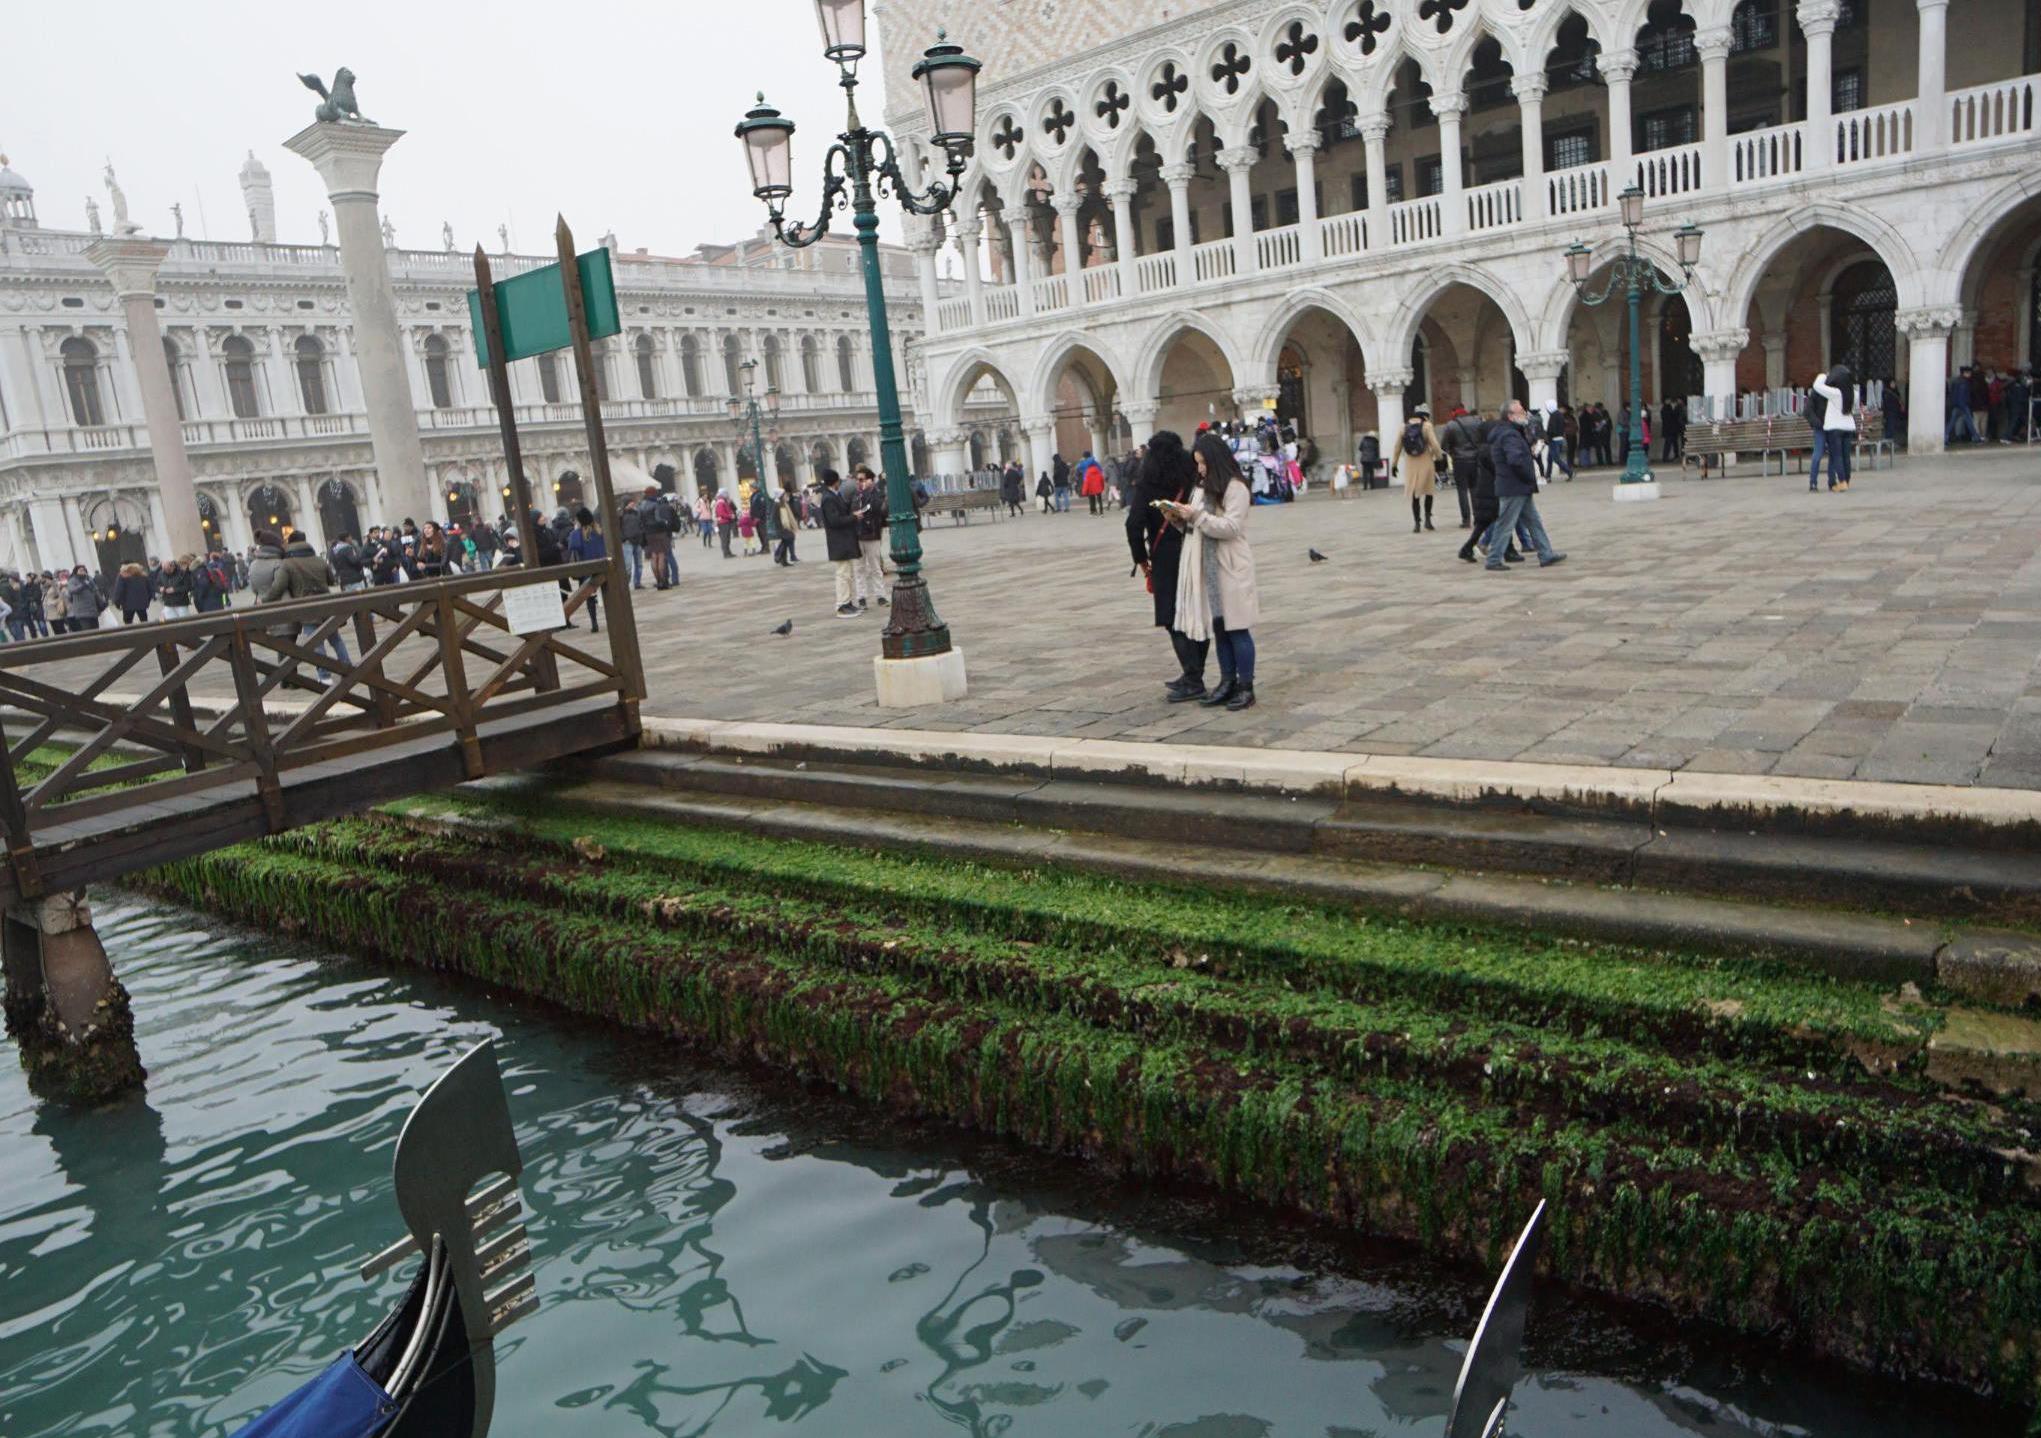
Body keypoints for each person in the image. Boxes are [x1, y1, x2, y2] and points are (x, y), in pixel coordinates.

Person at [1162, 431, 1261, 711]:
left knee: (1237, 628)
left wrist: (1196, 515)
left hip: (1230, 566)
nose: (1201, 469)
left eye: (1204, 463)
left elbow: (1231, 528)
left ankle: (1246, 686)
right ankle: (1227, 682)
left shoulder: (1235, 488)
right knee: (1220, 629)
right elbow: (1197, 527)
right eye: (1198, 464)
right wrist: (1178, 520)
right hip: (1208, 569)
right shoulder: (1202, 488)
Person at [1127, 431, 1208, 701]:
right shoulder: (1192, 477)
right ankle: (1194, 673)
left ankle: (1193, 678)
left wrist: (1141, 559)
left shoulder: (1148, 482)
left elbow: (1134, 524)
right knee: (1195, 612)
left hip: (1165, 556)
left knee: (1173, 617)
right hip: (1195, 547)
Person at [253, 527, 352, 679]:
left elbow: (279, 585)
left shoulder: (287, 563)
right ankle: (348, 669)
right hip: (326, 604)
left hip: (306, 609)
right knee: (336, 639)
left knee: (316, 643)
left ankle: (325, 676)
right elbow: (332, 581)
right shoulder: (319, 560)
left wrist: (264, 599)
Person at [1485, 402, 1565, 571]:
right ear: (1510, 416)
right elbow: (1515, 460)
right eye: (1521, 412)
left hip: (1519, 486)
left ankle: (1545, 553)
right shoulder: (1509, 435)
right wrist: (1528, 476)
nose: (1525, 414)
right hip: (1514, 486)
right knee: (1505, 524)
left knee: (1533, 521)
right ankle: (1493, 559)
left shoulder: (1512, 432)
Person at [1457, 410, 1519, 565]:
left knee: (1486, 523)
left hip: (1486, 490)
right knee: (1502, 519)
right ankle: (1508, 550)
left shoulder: (1484, 448)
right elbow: (1497, 469)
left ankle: (1468, 548)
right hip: (1491, 490)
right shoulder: (1489, 450)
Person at [1390, 404, 1443, 534]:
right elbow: (1435, 445)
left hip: (1410, 463)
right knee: (1429, 491)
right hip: (1425, 460)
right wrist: (1439, 457)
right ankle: (1428, 520)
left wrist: (1394, 464)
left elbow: (1397, 447)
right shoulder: (1427, 426)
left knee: (1415, 494)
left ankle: (1417, 523)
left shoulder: (1403, 426)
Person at [818, 469, 862, 618]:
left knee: (847, 573)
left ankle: (848, 602)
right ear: (835, 481)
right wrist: (853, 517)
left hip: (843, 540)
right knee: (843, 574)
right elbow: (835, 520)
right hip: (839, 540)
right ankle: (842, 604)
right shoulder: (828, 498)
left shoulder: (832, 496)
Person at [1810, 366, 1856, 493]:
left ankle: (1841, 482)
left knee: (1837, 456)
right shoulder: (1854, 393)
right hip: (1849, 427)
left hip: (1835, 427)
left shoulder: (1836, 393)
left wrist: (1825, 375)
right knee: (1846, 456)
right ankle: (1847, 480)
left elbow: (1817, 386)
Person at [1439, 408, 1483, 527]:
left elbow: (1443, 445)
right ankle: (1478, 517)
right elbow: (1483, 439)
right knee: (1474, 489)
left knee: (1462, 490)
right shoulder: (1477, 422)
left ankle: (1466, 519)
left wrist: (1452, 452)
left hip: (1459, 461)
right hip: (1475, 459)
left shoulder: (1451, 425)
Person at [565, 507, 605, 634]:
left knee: (589, 597)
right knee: (607, 593)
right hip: (602, 567)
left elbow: (573, 547)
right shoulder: (599, 531)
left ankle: (594, 622)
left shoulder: (577, 534)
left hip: (586, 568)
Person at [852, 466, 887, 609]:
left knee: (875, 566)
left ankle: (881, 595)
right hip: (858, 534)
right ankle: (861, 597)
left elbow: (874, 507)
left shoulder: (876, 493)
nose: (859, 482)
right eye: (858, 480)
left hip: (872, 534)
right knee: (859, 568)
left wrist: (867, 491)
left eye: (862, 480)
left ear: (870, 480)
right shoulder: (855, 494)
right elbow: (852, 510)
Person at [1542, 401, 1576, 481]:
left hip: (1554, 440)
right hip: (1558, 438)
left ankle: (1570, 472)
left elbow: (1552, 429)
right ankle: (1548, 476)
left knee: (1556, 459)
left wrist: (1547, 436)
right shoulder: (1559, 414)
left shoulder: (1554, 415)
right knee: (1549, 458)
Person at [774, 483, 801, 567]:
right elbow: (782, 517)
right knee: (788, 539)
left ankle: (783, 559)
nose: (785, 496)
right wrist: (786, 526)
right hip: (783, 527)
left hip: (784, 526)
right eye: (783, 495)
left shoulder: (782, 503)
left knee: (786, 541)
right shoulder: (779, 504)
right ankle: (778, 555)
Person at [1077, 451, 1106, 515]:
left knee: (1091, 497)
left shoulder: (1083, 463)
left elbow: (1078, 468)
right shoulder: (1095, 462)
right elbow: (1100, 470)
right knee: (1099, 496)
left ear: (1084, 456)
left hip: (1088, 480)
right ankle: (1101, 510)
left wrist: (1081, 461)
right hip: (1097, 481)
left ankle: (1093, 510)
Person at [714, 490, 737, 558]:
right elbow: (721, 513)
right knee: (725, 538)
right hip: (723, 522)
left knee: (726, 538)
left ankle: (728, 552)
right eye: (726, 493)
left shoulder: (722, 501)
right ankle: (726, 553)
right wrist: (730, 516)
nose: (728, 495)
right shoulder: (721, 502)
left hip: (724, 522)